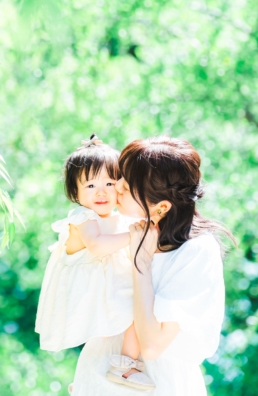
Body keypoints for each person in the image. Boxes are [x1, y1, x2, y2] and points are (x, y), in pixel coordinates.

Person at [70, 136, 232, 395]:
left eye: (127, 184)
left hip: (158, 384)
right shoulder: (121, 229)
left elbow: (153, 345)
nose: (117, 185)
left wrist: (141, 263)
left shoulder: (197, 251)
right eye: (120, 175)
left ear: (161, 207)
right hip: (97, 377)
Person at [36, 135, 154, 390]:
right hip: (88, 291)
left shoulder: (119, 217)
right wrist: (137, 234)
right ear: (75, 192)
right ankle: (125, 368)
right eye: (90, 186)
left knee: (137, 311)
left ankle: (87, 381)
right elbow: (98, 245)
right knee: (137, 311)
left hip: (106, 286)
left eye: (110, 183)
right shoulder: (83, 216)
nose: (101, 192)